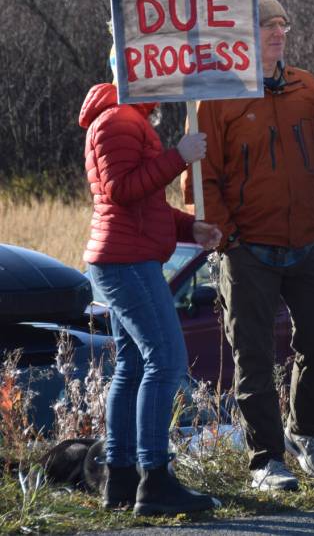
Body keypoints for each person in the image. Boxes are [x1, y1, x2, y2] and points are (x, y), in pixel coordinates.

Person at [184, 0, 314, 491]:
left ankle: (305, 435)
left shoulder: (308, 88)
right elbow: (203, 180)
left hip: (308, 243)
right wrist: (230, 238)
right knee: (254, 357)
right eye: (268, 26)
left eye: (283, 26)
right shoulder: (216, 97)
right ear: (244, 35)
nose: (280, 33)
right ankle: (267, 460)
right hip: (249, 252)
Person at [81, 72, 221, 516]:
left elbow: (146, 205)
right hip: (127, 262)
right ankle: (154, 480)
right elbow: (121, 190)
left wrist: (189, 227)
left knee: (134, 363)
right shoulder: (118, 120)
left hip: (124, 257)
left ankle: (121, 479)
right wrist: (179, 156)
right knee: (167, 360)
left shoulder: (127, 118)